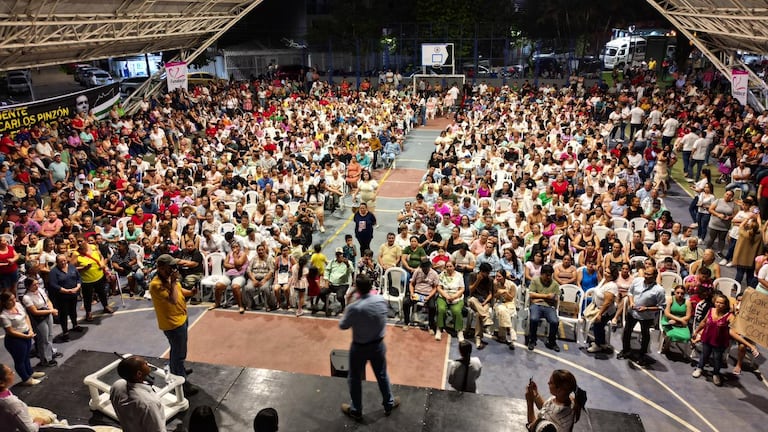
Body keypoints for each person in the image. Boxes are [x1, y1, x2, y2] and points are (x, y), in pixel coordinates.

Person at [339, 274, 400, 421]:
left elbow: (343, 325)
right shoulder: (380, 300)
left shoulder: (355, 307)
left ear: (357, 288)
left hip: (359, 347)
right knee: (382, 375)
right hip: (378, 345)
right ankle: (389, 403)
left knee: (354, 378)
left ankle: (356, 410)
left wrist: (349, 300)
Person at [148, 254, 198, 396]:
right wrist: (174, 281)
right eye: (170, 267)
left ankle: (178, 368)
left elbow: (181, 292)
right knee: (179, 352)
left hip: (181, 317)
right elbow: (174, 299)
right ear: (161, 268)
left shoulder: (169, 279)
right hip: (172, 323)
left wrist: (191, 292)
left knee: (178, 350)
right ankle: (180, 380)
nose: (173, 269)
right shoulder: (156, 285)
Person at [692, 293, 759, 386]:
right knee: (704, 354)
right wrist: (696, 331)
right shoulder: (711, 310)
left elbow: (736, 326)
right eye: (717, 302)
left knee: (717, 358)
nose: (718, 304)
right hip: (707, 337)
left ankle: (716, 373)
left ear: (725, 305)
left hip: (719, 342)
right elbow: (703, 322)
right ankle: (699, 368)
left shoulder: (729, 316)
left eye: (721, 303)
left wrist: (737, 313)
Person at [617, 264, 666, 366]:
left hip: (646, 316)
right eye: (646, 273)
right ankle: (626, 350)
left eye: (649, 275)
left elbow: (661, 306)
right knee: (627, 331)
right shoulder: (637, 281)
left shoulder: (659, 290)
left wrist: (647, 308)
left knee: (645, 335)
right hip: (633, 312)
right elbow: (630, 293)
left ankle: (642, 354)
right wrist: (631, 302)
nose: (646, 276)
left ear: (655, 276)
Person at [109, 355, 165, 432]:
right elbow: (157, 430)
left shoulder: (116, 386)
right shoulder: (149, 403)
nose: (147, 363)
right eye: (145, 364)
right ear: (139, 374)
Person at [1, 291, 44, 386]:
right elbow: (10, 331)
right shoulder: (3, 315)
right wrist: (25, 336)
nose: (14, 301)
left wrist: (31, 330)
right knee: (20, 360)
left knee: (26, 357)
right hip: (15, 340)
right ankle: (26, 378)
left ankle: (30, 373)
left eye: (14, 298)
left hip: (26, 334)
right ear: (4, 302)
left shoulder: (18, 305)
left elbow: (26, 317)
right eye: (10, 300)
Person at [0, 363, 54, 429]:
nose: (13, 373)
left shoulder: (5, 394)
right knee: (51, 417)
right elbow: (30, 430)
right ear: (1, 383)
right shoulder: (10, 403)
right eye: (10, 373)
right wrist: (38, 422)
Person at [21, 278, 58, 367]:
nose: (37, 286)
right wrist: (51, 311)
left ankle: (49, 355)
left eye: (37, 284)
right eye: (34, 285)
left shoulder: (40, 290)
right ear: (28, 286)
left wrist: (51, 309)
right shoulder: (26, 297)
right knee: (43, 339)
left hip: (47, 314)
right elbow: (35, 312)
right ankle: (44, 360)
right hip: (38, 319)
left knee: (50, 336)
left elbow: (48, 301)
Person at [527, 264, 561, 352]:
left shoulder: (555, 284)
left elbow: (555, 298)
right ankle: (532, 340)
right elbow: (531, 295)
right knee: (534, 319)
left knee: (554, 321)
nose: (548, 277)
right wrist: (546, 296)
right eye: (546, 275)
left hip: (549, 307)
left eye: (550, 275)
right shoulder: (535, 281)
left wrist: (539, 298)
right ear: (541, 274)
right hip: (536, 306)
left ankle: (552, 341)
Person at [402, 257, 438, 333]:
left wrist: (429, 296)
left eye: (426, 267)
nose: (424, 269)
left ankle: (431, 325)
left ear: (429, 266)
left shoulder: (434, 274)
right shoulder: (418, 271)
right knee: (406, 302)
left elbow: (435, 288)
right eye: (423, 267)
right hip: (417, 292)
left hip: (428, 294)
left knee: (432, 307)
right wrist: (412, 293)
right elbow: (411, 284)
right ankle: (406, 322)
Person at [435, 260, 465, 342]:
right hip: (444, 296)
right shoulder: (441, 275)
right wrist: (446, 296)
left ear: (454, 267)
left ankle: (459, 331)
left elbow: (462, 289)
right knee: (441, 309)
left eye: (450, 266)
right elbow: (438, 287)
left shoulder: (459, 275)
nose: (448, 268)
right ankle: (439, 328)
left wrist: (454, 296)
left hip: (456, 296)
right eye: (447, 266)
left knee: (456, 311)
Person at [468, 262, 495, 349]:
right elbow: (471, 290)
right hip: (474, 300)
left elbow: (490, 294)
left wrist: (485, 302)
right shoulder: (473, 275)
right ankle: (487, 319)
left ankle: (478, 338)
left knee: (479, 314)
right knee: (471, 300)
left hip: (484, 301)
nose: (488, 274)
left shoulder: (490, 280)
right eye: (486, 273)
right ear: (481, 271)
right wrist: (478, 280)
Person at [661, 285, 692, 352]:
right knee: (671, 334)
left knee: (687, 337)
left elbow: (688, 316)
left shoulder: (687, 302)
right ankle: (666, 346)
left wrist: (678, 321)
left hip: (681, 323)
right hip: (669, 320)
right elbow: (667, 313)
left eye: (682, 293)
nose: (680, 295)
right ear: (674, 292)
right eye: (677, 293)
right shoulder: (670, 299)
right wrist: (679, 320)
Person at [493, 269, 518, 350]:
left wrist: (506, 292)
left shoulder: (511, 285)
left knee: (504, 311)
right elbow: (494, 297)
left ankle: (502, 336)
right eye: (496, 276)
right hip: (499, 303)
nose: (497, 278)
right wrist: (498, 293)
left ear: (504, 277)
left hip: (509, 303)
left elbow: (511, 298)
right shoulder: (495, 284)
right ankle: (510, 329)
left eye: (499, 276)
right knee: (501, 310)